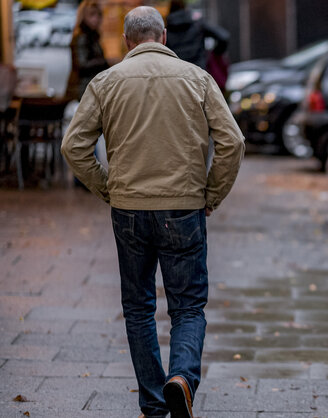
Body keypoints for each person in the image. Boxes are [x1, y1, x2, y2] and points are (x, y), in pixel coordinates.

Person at [61, 6, 245, 418]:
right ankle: (181, 378)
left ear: (128, 42)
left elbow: (73, 146)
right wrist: (210, 194)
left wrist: (107, 187)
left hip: (129, 208)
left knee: (139, 307)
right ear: (163, 38)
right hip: (183, 208)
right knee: (188, 307)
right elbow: (232, 141)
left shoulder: (106, 82)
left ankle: (153, 403)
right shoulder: (198, 79)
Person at [165, 0, 229, 71]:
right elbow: (223, 37)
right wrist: (215, 53)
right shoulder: (198, 25)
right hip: (199, 71)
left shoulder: (166, 31)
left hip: (178, 73)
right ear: (185, 8)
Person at [65, 0, 109, 100]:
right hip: (81, 89)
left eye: (99, 15)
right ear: (83, 16)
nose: (96, 19)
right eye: (92, 15)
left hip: (86, 87)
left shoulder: (93, 36)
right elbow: (83, 64)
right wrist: (106, 62)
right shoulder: (83, 36)